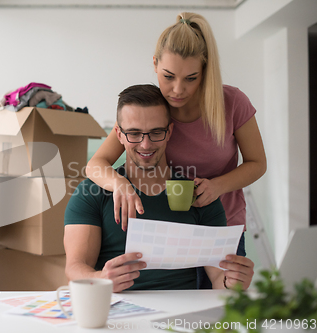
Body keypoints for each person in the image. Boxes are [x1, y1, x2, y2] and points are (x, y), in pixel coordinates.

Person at [85, 12, 266, 263]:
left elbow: (257, 163)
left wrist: (217, 187)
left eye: (191, 78)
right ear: (155, 64)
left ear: (205, 71)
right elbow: (95, 165)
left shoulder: (233, 103)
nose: (178, 90)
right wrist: (119, 184)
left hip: (222, 229)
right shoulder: (150, 110)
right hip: (169, 231)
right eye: (168, 76)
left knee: (224, 299)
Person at [64, 84, 254, 292]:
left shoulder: (197, 195)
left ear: (169, 131)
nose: (146, 145)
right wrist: (101, 278)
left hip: (182, 318)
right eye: (134, 134)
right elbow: (74, 270)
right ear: (118, 134)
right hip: (116, 313)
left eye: (156, 133)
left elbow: (218, 278)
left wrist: (232, 281)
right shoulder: (91, 193)